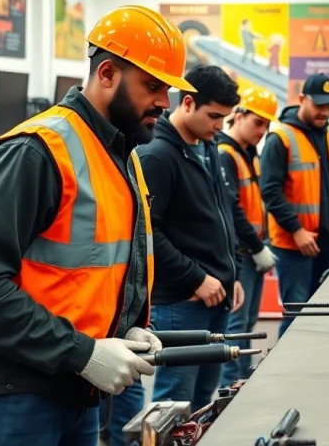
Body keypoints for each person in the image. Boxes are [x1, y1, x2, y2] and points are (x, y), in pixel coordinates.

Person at [0, 5, 193, 446]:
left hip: (68, 385)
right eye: (153, 86)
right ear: (107, 73)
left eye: (168, 89)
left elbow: (82, 275)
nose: (165, 102)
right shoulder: (36, 152)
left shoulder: (120, 156)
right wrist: (84, 352)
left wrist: (122, 327)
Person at [137, 65, 244, 412]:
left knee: (202, 402)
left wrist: (233, 272)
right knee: (174, 404)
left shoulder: (209, 148)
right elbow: (147, 232)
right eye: (213, 116)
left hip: (217, 295)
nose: (220, 125)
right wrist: (196, 278)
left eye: (225, 118)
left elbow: (224, 215)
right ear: (186, 103)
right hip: (181, 302)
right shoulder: (157, 155)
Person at [260, 73, 329, 336]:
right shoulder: (281, 138)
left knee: (324, 316)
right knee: (297, 317)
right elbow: (270, 192)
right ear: (302, 99)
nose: (324, 111)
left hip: (328, 243)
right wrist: (297, 230)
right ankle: (285, 364)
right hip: (294, 247)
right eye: (318, 105)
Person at [217, 86, 279, 386]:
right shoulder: (225, 154)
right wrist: (256, 247)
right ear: (238, 116)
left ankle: (242, 385)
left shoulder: (248, 154)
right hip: (241, 254)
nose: (262, 131)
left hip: (251, 251)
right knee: (237, 328)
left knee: (247, 325)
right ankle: (230, 391)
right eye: (257, 122)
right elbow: (232, 208)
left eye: (266, 125)